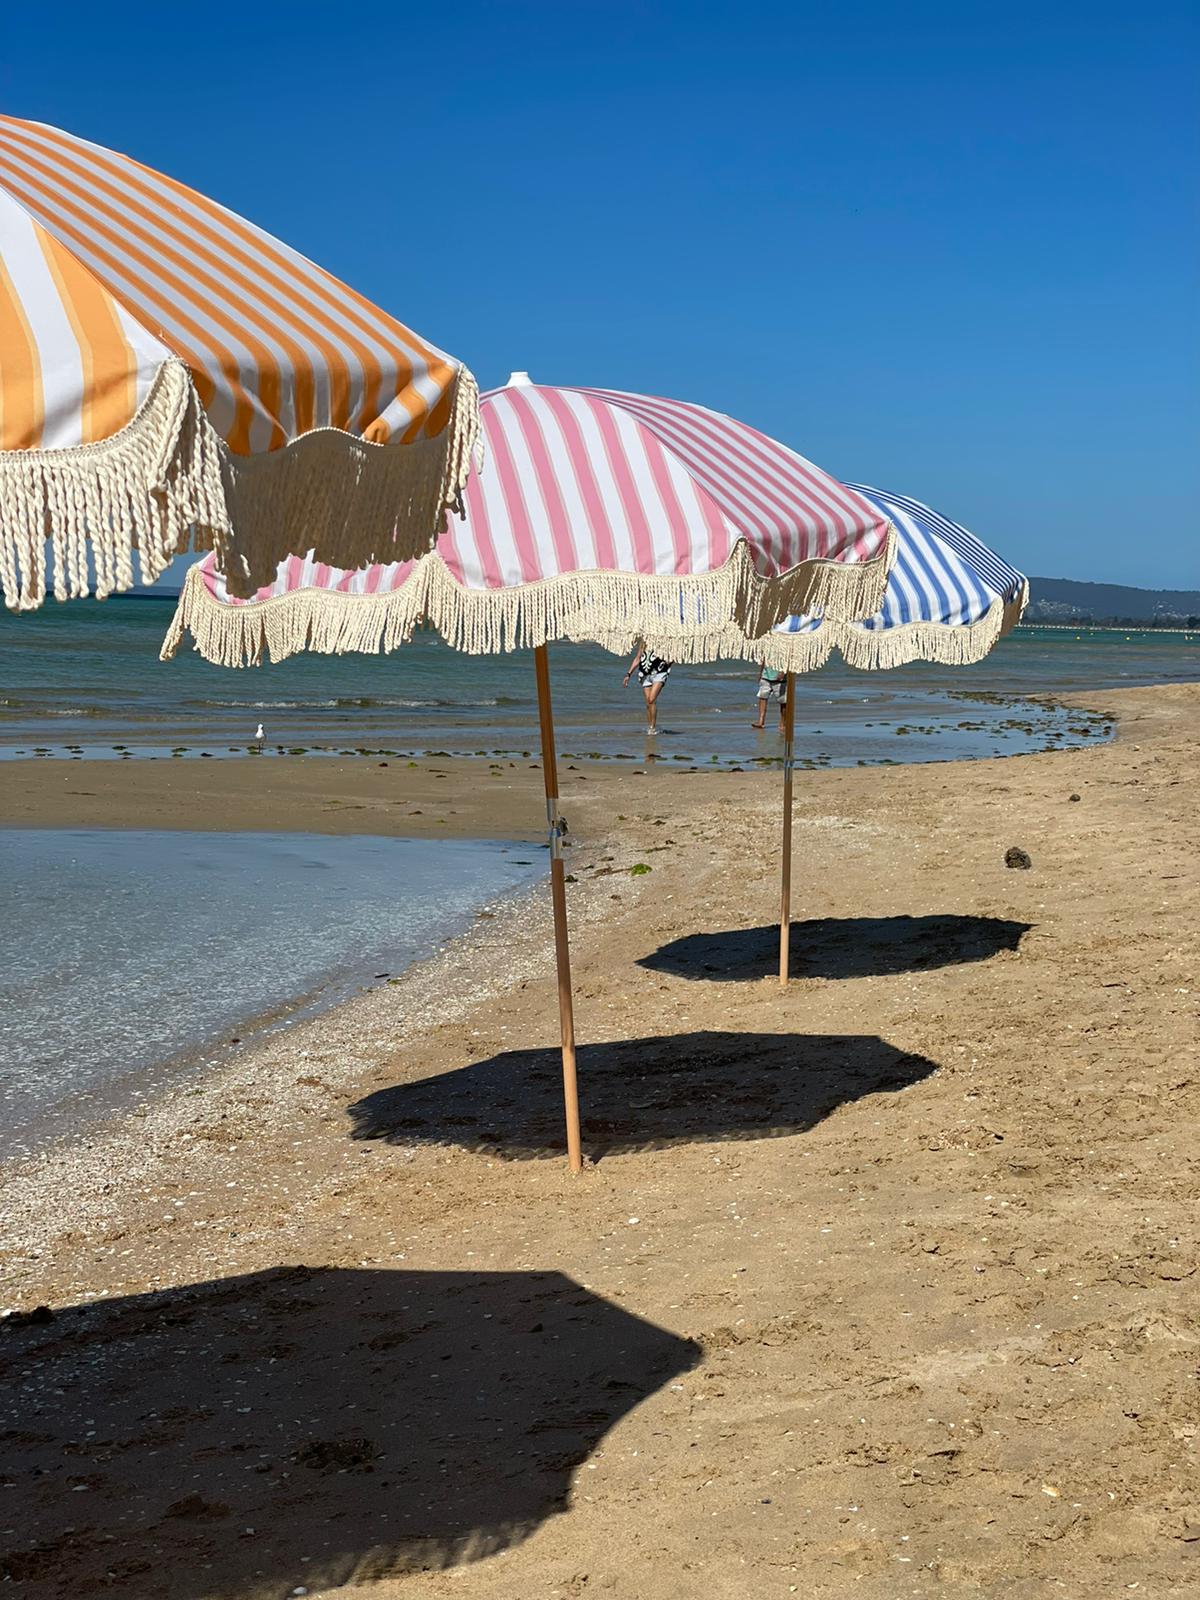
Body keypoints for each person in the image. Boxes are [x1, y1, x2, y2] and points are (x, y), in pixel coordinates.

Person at [623, 643, 673, 735]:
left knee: (651, 699)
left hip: (659, 673)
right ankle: (650, 727)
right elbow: (637, 658)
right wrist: (628, 674)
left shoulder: (663, 640)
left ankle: (652, 728)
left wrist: (669, 662)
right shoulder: (644, 643)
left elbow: (674, 654)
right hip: (645, 674)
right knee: (648, 703)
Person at [752, 664, 788, 730]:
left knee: (783, 701)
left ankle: (783, 721)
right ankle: (761, 721)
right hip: (765, 676)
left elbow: (787, 659)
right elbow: (764, 659)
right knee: (762, 697)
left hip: (780, 679)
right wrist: (760, 673)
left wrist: (783, 672)